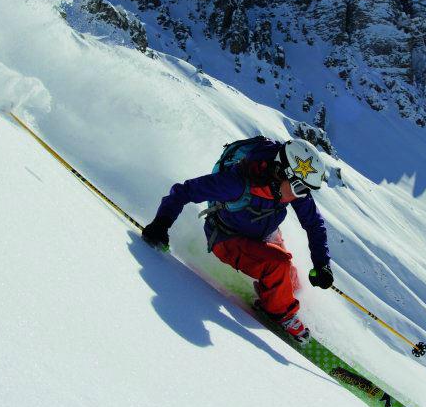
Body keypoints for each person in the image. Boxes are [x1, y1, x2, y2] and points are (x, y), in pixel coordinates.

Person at [140, 137, 334, 343]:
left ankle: (275, 300)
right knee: (278, 265)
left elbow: (314, 224)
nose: (301, 196)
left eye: (305, 190)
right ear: (280, 172)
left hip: (261, 231)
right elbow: (185, 191)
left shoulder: (292, 188)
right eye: (298, 188)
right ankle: (280, 314)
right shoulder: (237, 183)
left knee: (291, 281)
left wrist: (322, 264)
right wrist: (161, 223)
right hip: (227, 238)